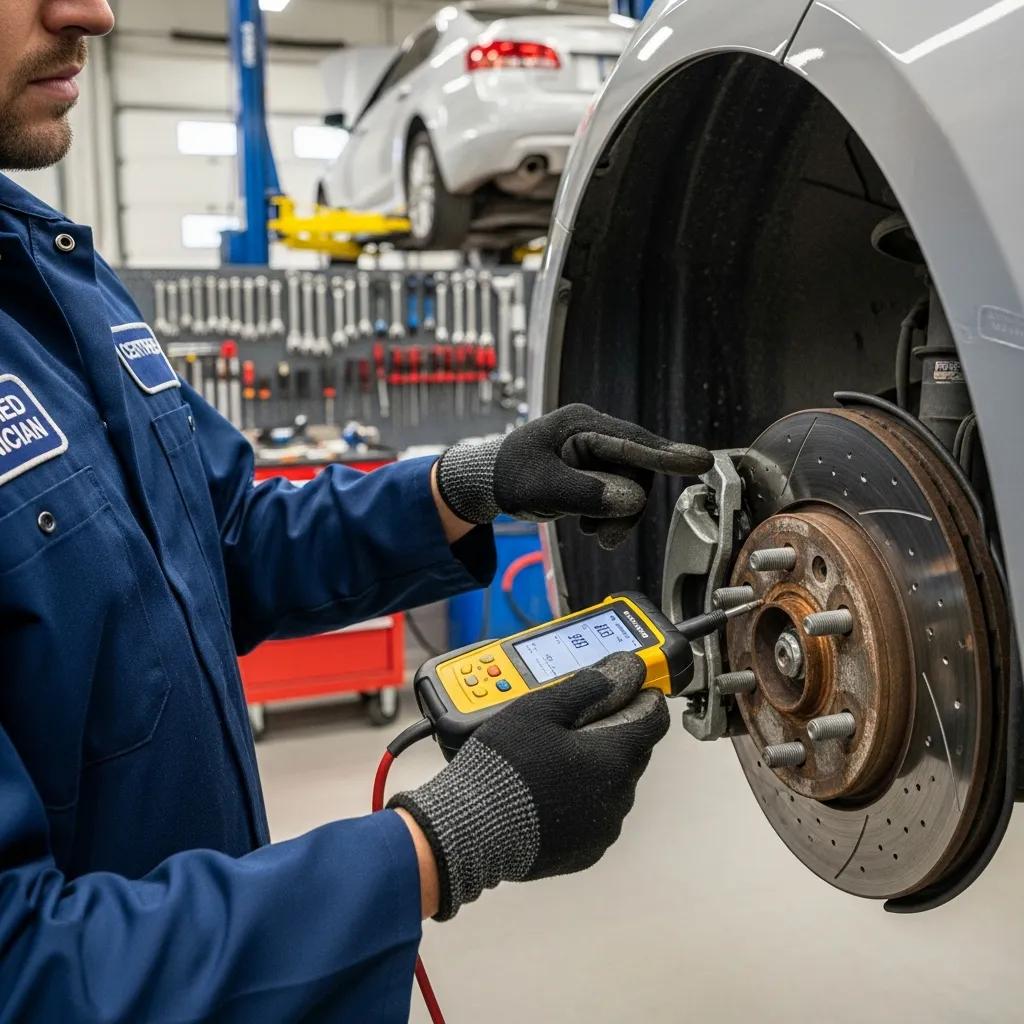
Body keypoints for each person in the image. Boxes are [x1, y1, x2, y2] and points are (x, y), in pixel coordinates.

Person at [0, 2, 714, 1019]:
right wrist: (439, 843)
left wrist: (466, 486)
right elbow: (22, 971)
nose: (90, 10)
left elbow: (222, 539)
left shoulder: (55, 268)